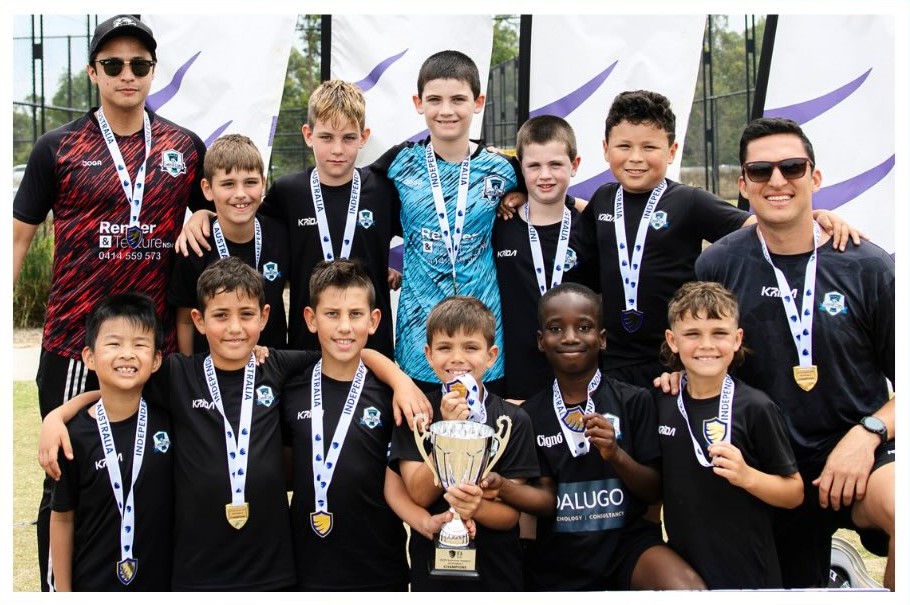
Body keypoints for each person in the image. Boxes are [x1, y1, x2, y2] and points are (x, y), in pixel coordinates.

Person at [39, 256, 430, 590]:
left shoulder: (276, 366)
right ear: (199, 319)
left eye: (246, 315)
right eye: (221, 316)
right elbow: (124, 380)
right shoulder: (177, 374)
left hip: (273, 571)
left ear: (264, 317)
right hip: (197, 572)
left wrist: (398, 379)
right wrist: (59, 414)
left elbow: (346, 352)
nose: (234, 328)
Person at [12, 14, 210, 591]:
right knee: (65, 478)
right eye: (115, 65)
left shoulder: (184, 146)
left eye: (140, 65)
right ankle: (59, 590)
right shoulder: (58, 147)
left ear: (153, 72)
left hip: (155, 350)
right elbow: (19, 235)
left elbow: (218, 208)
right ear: (94, 71)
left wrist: (200, 211)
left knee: (156, 475)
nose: (128, 75)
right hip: (77, 345)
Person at [694, 117, 895, 590]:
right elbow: (700, 349)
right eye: (761, 171)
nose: (777, 180)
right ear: (743, 185)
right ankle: (829, 572)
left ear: (815, 177)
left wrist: (867, 434)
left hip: (852, 459)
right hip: (761, 462)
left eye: (792, 167)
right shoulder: (717, 264)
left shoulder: (868, 265)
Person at [569, 90, 861, 389]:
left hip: (675, 363)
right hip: (614, 363)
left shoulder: (689, 201)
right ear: (606, 149)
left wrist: (816, 215)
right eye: (624, 146)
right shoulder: (603, 201)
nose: (635, 158)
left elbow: (757, 224)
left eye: (649, 147)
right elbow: (580, 250)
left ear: (671, 151)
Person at [481, 282, 705, 591]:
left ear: (601, 340)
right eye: (555, 328)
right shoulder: (531, 414)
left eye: (583, 327)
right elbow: (547, 501)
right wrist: (502, 486)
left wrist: (615, 454)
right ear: (541, 341)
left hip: (626, 543)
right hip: (559, 552)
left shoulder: (634, 400)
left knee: (688, 591)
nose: (570, 337)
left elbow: (653, 491)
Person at [178, 79, 400, 358]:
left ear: (364, 137)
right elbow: (242, 216)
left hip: (371, 344)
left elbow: (418, 231)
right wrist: (202, 213)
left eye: (348, 138)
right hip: (303, 347)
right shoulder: (288, 191)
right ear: (308, 135)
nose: (337, 149)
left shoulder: (383, 189)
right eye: (326, 137)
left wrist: (395, 266)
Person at [282, 258, 454, 591]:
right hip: (306, 568)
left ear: (374, 320)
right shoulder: (291, 389)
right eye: (332, 314)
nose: (344, 327)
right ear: (310, 319)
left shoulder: (395, 395)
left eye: (355, 314)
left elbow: (404, 483)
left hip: (378, 566)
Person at [372, 49, 523, 393]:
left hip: (483, 337)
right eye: (435, 99)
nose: (446, 110)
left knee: (480, 440)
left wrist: (523, 195)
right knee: (423, 441)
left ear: (478, 101)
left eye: (458, 99)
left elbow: (551, 191)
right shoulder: (400, 163)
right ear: (418, 102)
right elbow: (352, 199)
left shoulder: (503, 169)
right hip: (419, 335)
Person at [656, 281, 803, 589]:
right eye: (692, 334)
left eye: (719, 333)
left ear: (737, 340)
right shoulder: (661, 401)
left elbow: (794, 493)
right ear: (672, 340)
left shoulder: (756, 407)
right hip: (685, 568)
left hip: (750, 574)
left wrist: (747, 476)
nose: (706, 345)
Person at [390, 296, 539, 591]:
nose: (457, 358)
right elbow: (418, 494)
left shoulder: (514, 420)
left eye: (471, 347)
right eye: (445, 348)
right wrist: (446, 430)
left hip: (496, 571)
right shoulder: (417, 413)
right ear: (429, 355)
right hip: (432, 568)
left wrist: (476, 508)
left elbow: (511, 514)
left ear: (491, 355)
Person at [49, 293, 172, 591]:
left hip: (163, 585)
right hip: (94, 584)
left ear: (156, 360)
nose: (127, 354)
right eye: (114, 343)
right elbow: (62, 518)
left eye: (140, 344)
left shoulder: (170, 420)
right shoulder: (72, 436)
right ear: (89, 357)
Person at [168, 133, 289, 353]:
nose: (240, 194)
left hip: (271, 371)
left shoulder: (280, 233)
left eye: (250, 182)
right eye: (228, 184)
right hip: (211, 376)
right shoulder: (194, 245)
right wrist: (187, 372)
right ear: (207, 189)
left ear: (263, 183)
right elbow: (185, 320)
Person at [493, 115, 584, 401]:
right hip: (515, 382)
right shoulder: (499, 224)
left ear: (575, 165)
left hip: (579, 379)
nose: (545, 175)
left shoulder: (590, 227)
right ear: (521, 168)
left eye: (556, 164)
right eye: (534, 166)